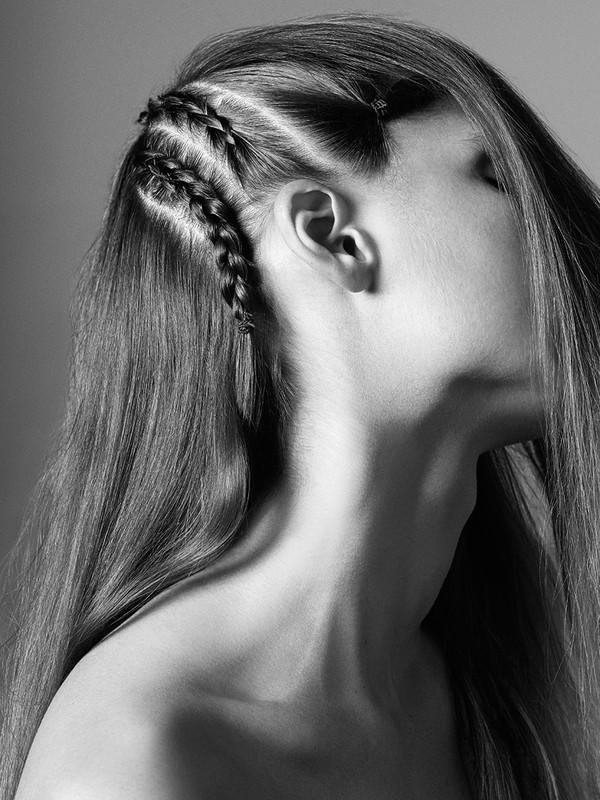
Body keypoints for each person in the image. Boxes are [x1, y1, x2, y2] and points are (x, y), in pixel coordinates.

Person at [2, 10, 600, 799]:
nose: (576, 229)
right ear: (334, 237)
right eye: (496, 176)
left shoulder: (496, 696)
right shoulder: (133, 768)